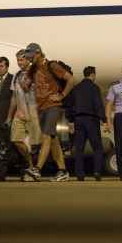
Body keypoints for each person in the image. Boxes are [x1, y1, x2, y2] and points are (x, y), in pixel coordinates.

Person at [24, 43, 74, 182]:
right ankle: (63, 171)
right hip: (41, 108)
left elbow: (70, 79)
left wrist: (62, 95)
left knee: (46, 136)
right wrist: (27, 71)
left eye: (31, 56)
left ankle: (37, 169)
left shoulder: (52, 66)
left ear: (38, 53)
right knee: (53, 140)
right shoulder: (33, 69)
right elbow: (25, 87)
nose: (29, 59)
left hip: (53, 106)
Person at [68, 66, 107, 181]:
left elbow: (70, 106)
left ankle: (80, 174)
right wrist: (104, 120)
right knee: (97, 148)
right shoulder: (95, 88)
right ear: (93, 75)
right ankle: (97, 172)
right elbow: (98, 104)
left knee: (79, 148)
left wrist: (70, 121)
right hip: (91, 120)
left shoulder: (76, 88)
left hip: (78, 120)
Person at [7, 50, 42, 180]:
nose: (19, 63)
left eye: (21, 60)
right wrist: (9, 116)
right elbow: (14, 98)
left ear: (28, 59)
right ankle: (31, 164)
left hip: (33, 113)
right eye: (18, 60)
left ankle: (35, 170)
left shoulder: (36, 73)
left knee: (35, 145)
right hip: (20, 114)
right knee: (15, 140)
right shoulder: (16, 76)